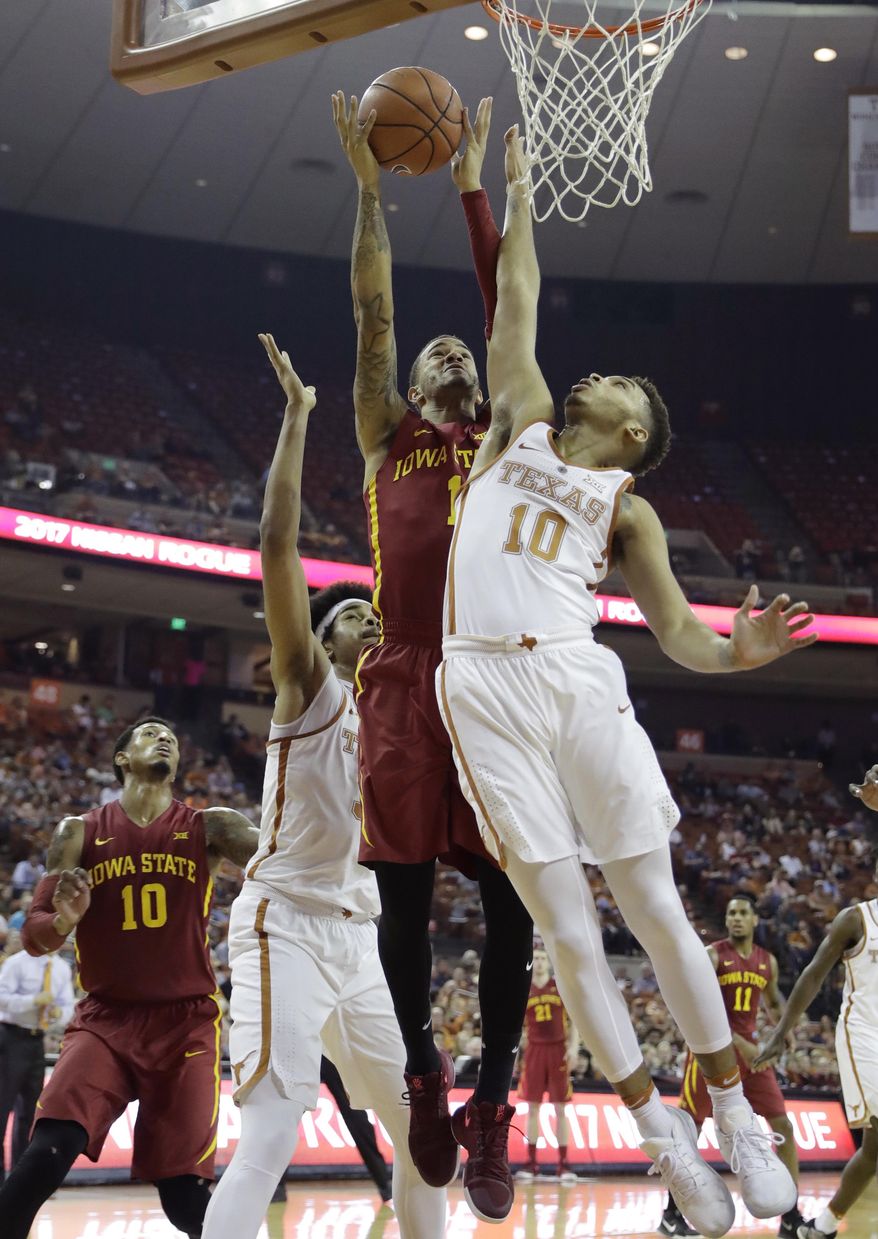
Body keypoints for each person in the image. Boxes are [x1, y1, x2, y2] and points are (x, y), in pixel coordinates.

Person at [436, 125, 816, 1239]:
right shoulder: (522, 425)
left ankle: (740, 1120)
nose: (584, 375)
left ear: (633, 429)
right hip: (478, 691)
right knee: (564, 930)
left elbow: (682, 639)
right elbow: (517, 301)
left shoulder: (628, 507)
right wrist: (502, 192)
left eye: (609, 383)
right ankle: (668, 1152)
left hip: (572, 678)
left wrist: (734, 655)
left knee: (650, 906)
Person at [332, 93, 534, 1223]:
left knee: (516, 904)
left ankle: (491, 1097)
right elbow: (372, 310)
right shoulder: (387, 435)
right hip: (406, 673)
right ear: (413, 383)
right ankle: (423, 1074)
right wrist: (370, 187)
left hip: (490, 675)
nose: (450, 349)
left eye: (462, 348)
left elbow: (507, 310)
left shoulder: (506, 432)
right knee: (402, 906)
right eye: (434, 351)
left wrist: (468, 185)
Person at [201, 335, 446, 1239]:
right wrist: (300, 420)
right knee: (270, 1132)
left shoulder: (406, 714)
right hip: (284, 921)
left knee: (428, 1128)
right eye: (352, 614)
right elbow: (275, 541)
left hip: (361, 939)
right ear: (324, 636)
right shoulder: (310, 684)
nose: (369, 620)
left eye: (375, 612)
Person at [0, 717, 260, 1239]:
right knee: (42, 1160)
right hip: (106, 1021)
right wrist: (65, 921)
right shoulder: (78, 831)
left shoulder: (212, 826)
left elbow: (289, 862)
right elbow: (34, 937)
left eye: (171, 736)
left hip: (185, 1025)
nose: (165, 737)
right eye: (149, 732)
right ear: (122, 757)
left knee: (184, 1199)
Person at [755, 766, 878, 1239]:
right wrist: (784, 1028)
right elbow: (810, 975)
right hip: (863, 1033)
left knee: (874, 1152)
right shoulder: (857, 918)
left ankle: (821, 1228)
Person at [660, 893, 806, 1239]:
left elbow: (771, 1000)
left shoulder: (766, 961)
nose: (736, 918)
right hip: (711, 1050)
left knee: (781, 1123)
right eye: (731, 913)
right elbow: (697, 1003)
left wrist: (786, 1031)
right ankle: (670, 1214)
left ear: (755, 920)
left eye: (743, 913)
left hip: (753, 1054)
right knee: (690, 1130)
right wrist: (741, 1042)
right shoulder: (713, 956)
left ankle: (791, 1214)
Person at [0, 947, 74, 1183]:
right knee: (2, 1109)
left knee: (30, 1114)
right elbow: (1, 999)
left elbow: (68, 1006)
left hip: (36, 1041)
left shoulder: (61, 967)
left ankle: (21, 1180)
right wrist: (33, 1001)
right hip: (10, 1037)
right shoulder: (17, 963)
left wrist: (57, 1013)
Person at [515, 946, 580, 1183]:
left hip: (557, 1049)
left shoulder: (560, 986)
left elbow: (575, 1021)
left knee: (560, 1108)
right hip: (534, 1049)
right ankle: (531, 1163)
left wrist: (573, 1048)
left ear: (549, 962)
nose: (540, 962)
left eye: (543, 958)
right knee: (533, 1107)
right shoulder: (523, 989)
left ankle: (564, 1164)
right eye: (537, 959)